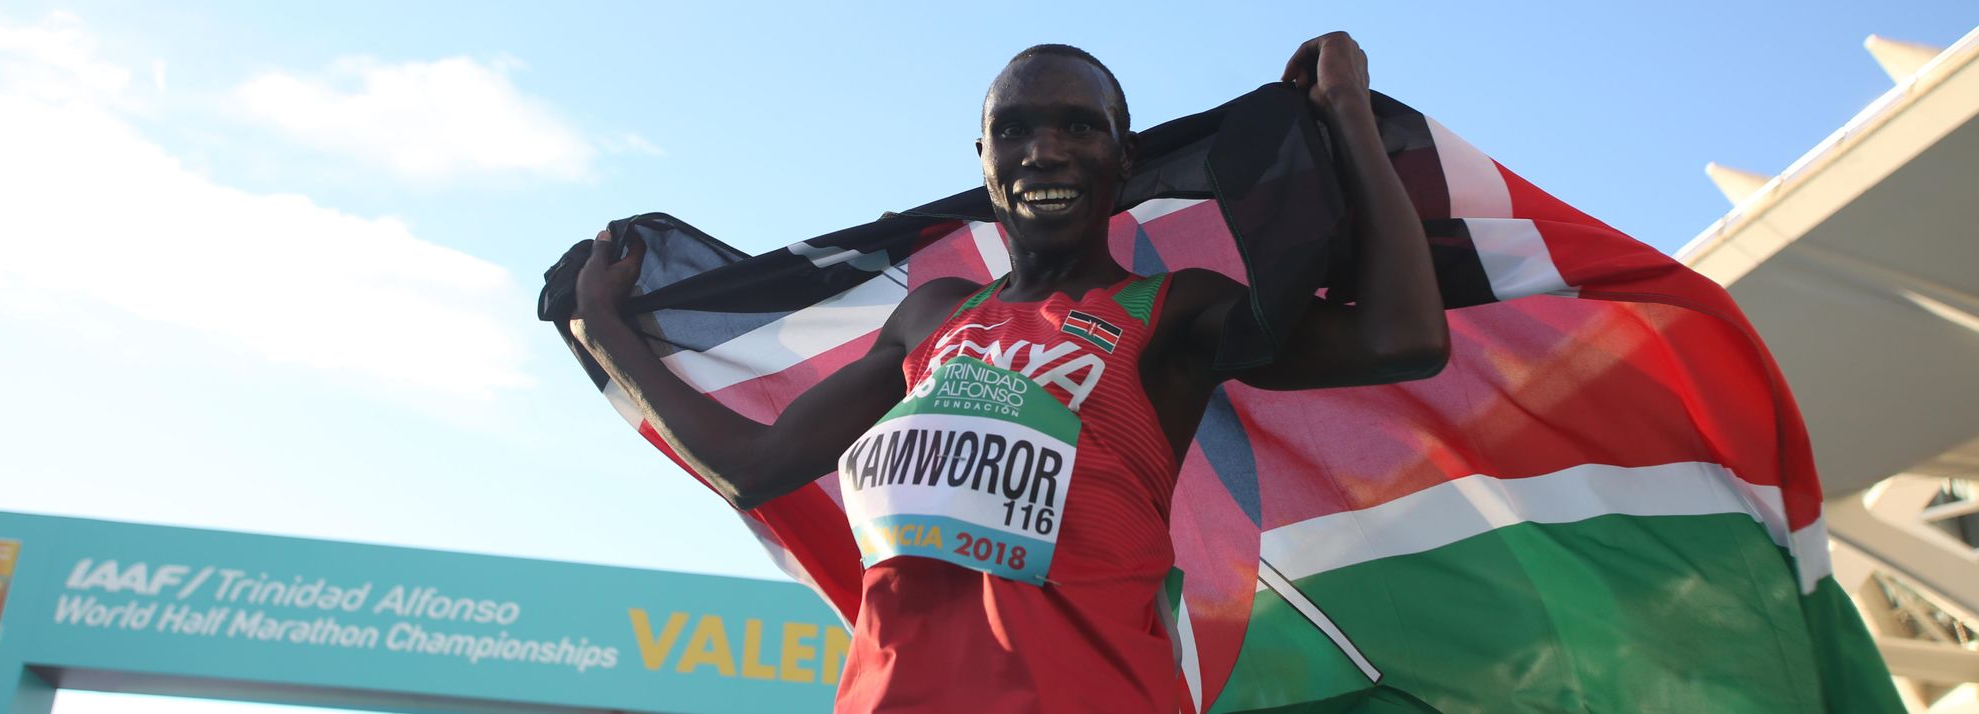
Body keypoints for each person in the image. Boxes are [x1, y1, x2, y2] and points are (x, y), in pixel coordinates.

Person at [573, 32, 1447, 713]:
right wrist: (607, 324)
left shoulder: (1172, 311)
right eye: (1015, 129)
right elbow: (753, 467)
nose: (1045, 150)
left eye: (1078, 126)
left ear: (1124, 158)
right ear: (984, 161)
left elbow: (1401, 337)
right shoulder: (932, 314)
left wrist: (1345, 112)